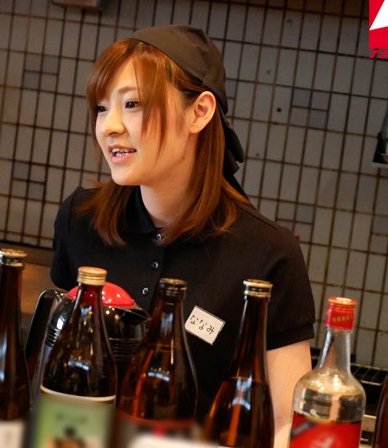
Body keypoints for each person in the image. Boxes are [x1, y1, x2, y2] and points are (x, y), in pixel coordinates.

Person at [50, 24, 316, 446]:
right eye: (101, 107)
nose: (109, 127)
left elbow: (289, 423)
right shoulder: (81, 220)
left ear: (199, 112)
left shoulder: (267, 255)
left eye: (132, 104)